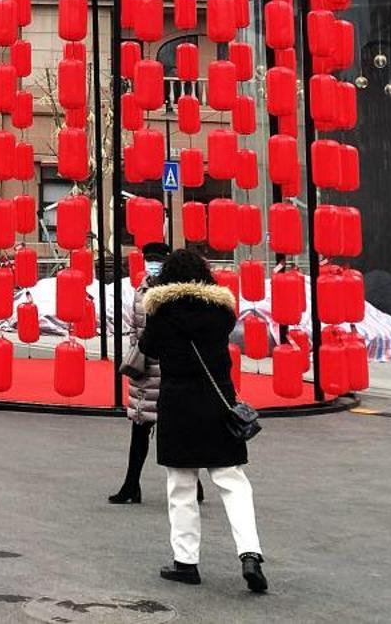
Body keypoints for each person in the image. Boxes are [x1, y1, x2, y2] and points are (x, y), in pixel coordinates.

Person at [139, 247, 267, 593]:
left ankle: (186, 562)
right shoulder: (222, 309)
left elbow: (148, 348)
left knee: (181, 486)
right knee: (232, 481)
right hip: (218, 401)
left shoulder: (161, 310)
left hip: (178, 403)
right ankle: (250, 552)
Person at [109, 242, 171, 505]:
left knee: (174, 430)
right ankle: (131, 484)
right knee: (140, 429)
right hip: (145, 370)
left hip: (167, 369)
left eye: (157, 259)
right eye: (149, 259)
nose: (152, 263)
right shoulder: (140, 290)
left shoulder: (172, 292)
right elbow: (134, 327)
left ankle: (194, 483)